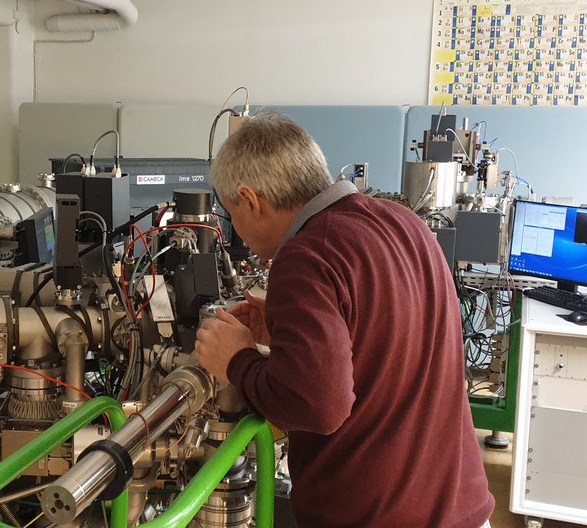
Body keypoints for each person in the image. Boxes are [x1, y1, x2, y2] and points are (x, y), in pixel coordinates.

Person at [195, 112, 494, 527]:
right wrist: (286, 334)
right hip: (459, 506)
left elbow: (316, 407)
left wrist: (237, 360)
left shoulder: (305, 256)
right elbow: (379, 336)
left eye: (234, 216)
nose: (239, 233)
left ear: (250, 199)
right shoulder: (403, 221)